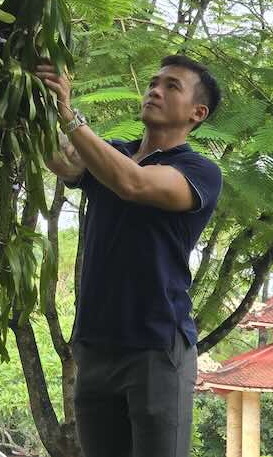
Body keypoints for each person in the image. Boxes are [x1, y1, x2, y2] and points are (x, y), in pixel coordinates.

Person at [36, 54, 223, 457]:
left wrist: (69, 114)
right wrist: (30, 95)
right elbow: (59, 157)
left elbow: (132, 183)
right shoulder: (113, 152)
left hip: (156, 348)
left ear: (197, 113)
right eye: (154, 82)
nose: (154, 90)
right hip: (94, 344)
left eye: (171, 86)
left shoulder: (199, 171)